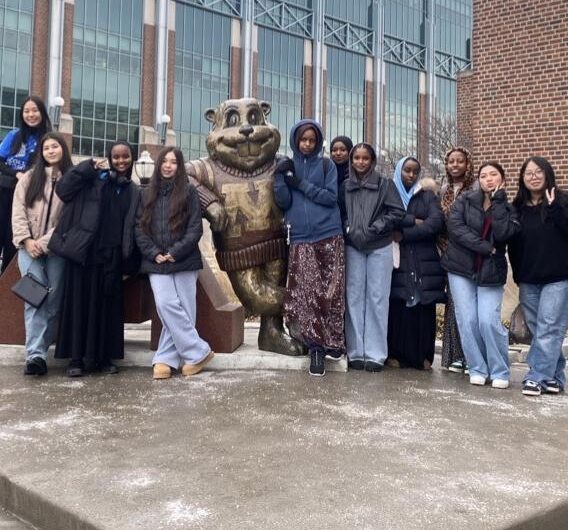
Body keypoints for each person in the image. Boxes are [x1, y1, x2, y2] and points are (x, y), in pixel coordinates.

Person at [49, 141, 140, 377]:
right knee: (78, 306)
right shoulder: (93, 178)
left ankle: (105, 358)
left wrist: (129, 260)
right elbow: (64, 190)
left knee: (107, 310)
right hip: (84, 254)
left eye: (125, 157)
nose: (121, 161)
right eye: (116, 157)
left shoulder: (132, 189)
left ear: (132, 159)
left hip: (112, 257)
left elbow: (133, 227)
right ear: (109, 157)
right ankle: (76, 359)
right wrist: (87, 167)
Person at [273, 120, 344, 377]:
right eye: (303, 139)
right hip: (301, 236)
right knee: (307, 293)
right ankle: (315, 348)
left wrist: (299, 183)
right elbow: (283, 201)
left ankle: (334, 342)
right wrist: (280, 177)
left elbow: (329, 198)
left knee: (331, 292)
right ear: (295, 140)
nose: (307, 144)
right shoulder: (288, 166)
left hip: (329, 234)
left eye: (312, 140)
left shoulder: (327, 165)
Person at [136, 147, 213, 379]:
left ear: (179, 167)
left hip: (184, 259)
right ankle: (198, 351)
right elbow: (139, 228)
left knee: (186, 309)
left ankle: (165, 358)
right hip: (156, 260)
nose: (168, 166)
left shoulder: (189, 192)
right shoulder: (146, 193)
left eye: (174, 162)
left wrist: (175, 252)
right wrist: (154, 253)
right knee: (166, 304)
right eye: (165, 161)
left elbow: (195, 228)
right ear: (159, 164)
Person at [442, 162, 519, 388]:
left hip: (491, 271)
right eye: (484, 175)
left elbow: (504, 233)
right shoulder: (464, 201)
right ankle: (477, 368)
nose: (488, 179)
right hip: (460, 268)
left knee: (488, 320)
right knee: (467, 320)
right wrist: (486, 247)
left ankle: (499, 370)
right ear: (478, 180)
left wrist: (497, 202)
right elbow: (456, 230)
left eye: (493, 175)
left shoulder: (508, 208)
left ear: (502, 179)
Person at [339, 143, 405, 372]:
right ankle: (356, 352)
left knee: (377, 299)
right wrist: (348, 227)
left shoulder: (385, 184)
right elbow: (341, 213)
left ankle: (376, 354)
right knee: (354, 298)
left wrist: (377, 227)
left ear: (372, 160)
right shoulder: (345, 186)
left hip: (380, 246)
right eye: (356, 158)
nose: (360, 162)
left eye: (365, 158)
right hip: (353, 247)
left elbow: (397, 211)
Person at [11, 133, 72, 375]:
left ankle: (42, 347)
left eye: (55, 146)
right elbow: (18, 212)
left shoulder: (70, 180)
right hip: (27, 248)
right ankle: (35, 355)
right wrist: (27, 240)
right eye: (46, 147)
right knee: (34, 297)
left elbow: (68, 219)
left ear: (62, 150)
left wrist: (43, 243)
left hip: (56, 249)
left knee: (54, 299)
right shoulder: (28, 178)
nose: (50, 150)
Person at [509, 157, 568, 396]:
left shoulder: (562, 201)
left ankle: (536, 376)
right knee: (539, 329)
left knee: (550, 327)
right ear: (522, 178)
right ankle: (555, 375)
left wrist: (554, 210)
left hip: (558, 277)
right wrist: (518, 273)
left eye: (538, 172)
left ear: (547, 174)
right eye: (528, 173)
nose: (533, 176)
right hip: (528, 278)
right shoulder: (517, 207)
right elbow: (513, 245)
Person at [387, 156, 445, 370]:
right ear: (399, 171)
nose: (410, 175)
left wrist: (404, 234)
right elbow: (390, 220)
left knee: (422, 306)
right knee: (398, 305)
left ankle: (423, 356)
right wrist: (413, 221)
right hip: (397, 260)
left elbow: (435, 223)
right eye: (406, 171)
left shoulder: (427, 196)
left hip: (423, 260)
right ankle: (395, 354)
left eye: (414, 171)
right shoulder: (390, 194)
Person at [0, 96, 52, 273]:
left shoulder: (47, 138)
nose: (31, 114)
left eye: (35, 110)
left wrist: (27, 176)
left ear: (42, 113)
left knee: (12, 240)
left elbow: (45, 164)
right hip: (5, 190)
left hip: (26, 196)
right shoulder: (14, 135)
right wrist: (17, 173)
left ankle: (6, 282)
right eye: (27, 111)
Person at [439, 147, 477, 373]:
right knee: (453, 305)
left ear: (467, 164)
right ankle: (455, 356)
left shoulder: (475, 188)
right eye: (451, 161)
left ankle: (471, 356)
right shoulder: (443, 189)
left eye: (460, 161)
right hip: (448, 253)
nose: (455, 165)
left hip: (470, 253)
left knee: (468, 307)